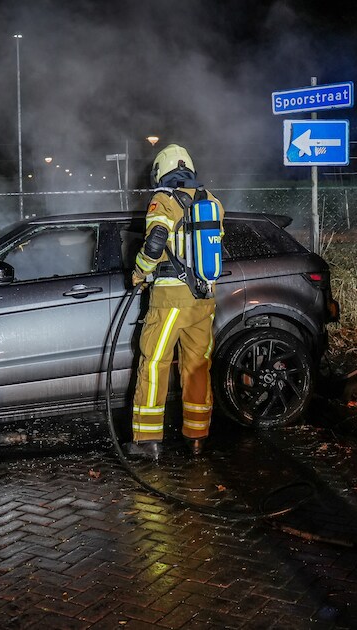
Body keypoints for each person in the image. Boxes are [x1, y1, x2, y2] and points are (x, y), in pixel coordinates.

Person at [125, 144, 224, 460]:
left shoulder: (164, 202)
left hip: (171, 299)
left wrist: (139, 272)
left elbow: (155, 243)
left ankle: (147, 440)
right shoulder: (212, 202)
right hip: (205, 298)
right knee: (197, 366)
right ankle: (197, 438)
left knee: (154, 363)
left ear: (161, 170)